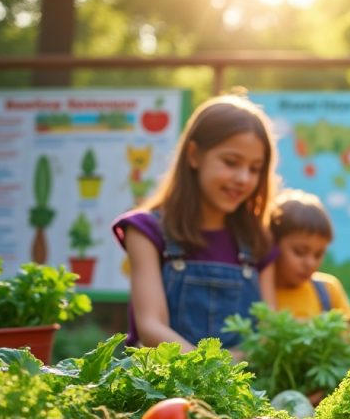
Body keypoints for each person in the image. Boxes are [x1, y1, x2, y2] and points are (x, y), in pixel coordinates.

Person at [112, 94, 278, 351]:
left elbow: (269, 331)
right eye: (231, 162)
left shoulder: (257, 240)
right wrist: (215, 370)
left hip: (242, 387)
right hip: (162, 385)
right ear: (193, 155)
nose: (243, 178)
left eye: (255, 168)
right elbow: (151, 327)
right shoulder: (147, 231)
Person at [270, 188, 350, 320]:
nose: (310, 263)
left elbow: (348, 337)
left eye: (318, 254)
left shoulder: (328, 290)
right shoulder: (258, 292)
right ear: (273, 245)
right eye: (299, 252)